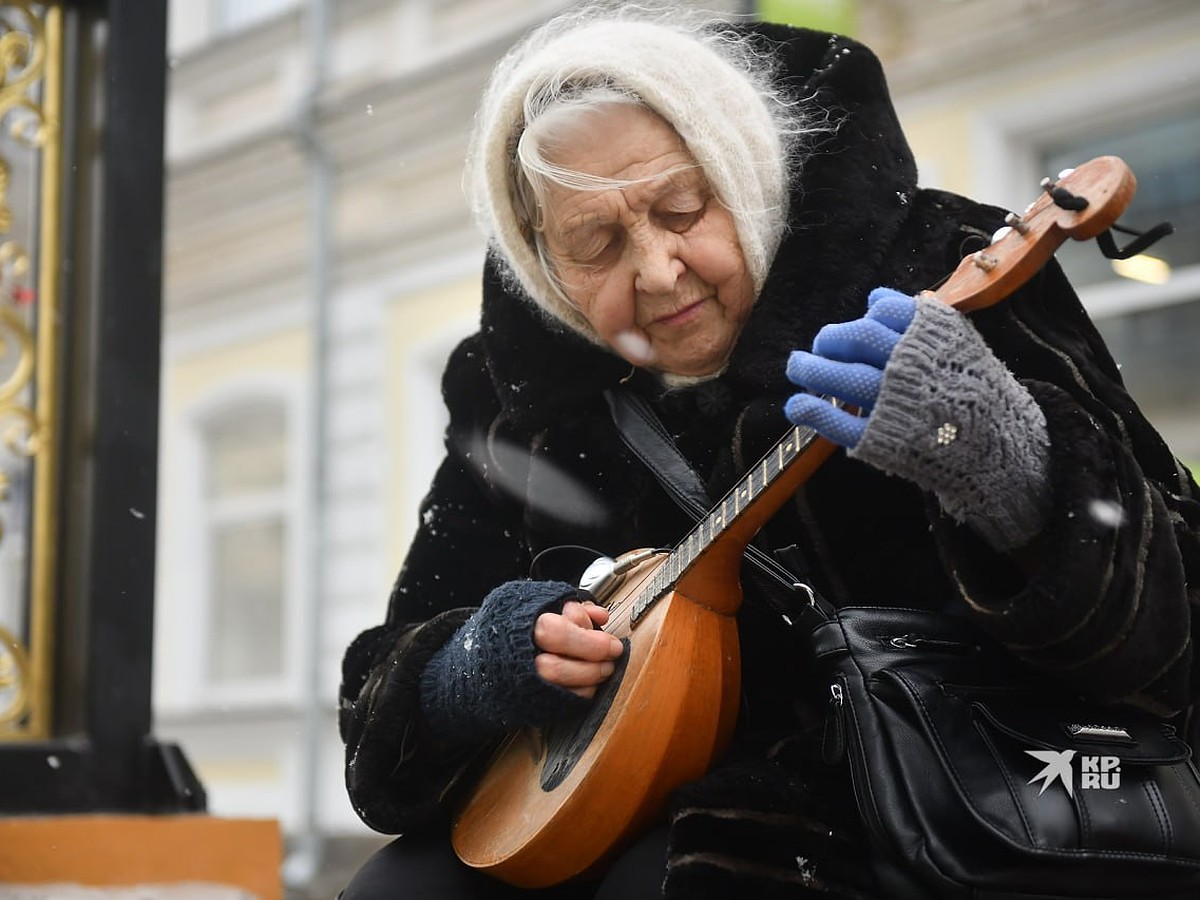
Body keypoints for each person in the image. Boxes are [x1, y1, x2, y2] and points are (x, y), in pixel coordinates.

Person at [338, 3, 1200, 897]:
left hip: (953, 790)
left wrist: (1000, 454)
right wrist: (471, 668)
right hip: (607, 797)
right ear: (546, 268)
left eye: (682, 207)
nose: (659, 270)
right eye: (594, 246)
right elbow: (382, 708)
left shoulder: (942, 269)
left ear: (744, 172)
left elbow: (1174, 636)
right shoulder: (519, 399)